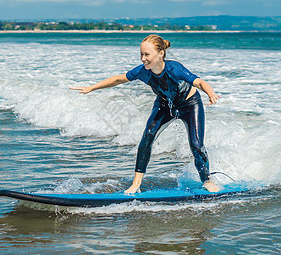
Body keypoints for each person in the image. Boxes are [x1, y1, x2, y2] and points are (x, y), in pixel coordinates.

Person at [70, 34, 220, 193]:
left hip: (190, 104)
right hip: (164, 104)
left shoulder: (174, 69)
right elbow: (118, 79)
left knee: (196, 144)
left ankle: (207, 180)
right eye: (141, 54)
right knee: (147, 136)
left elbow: (199, 82)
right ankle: (136, 184)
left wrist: (210, 93)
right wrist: (92, 87)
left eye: (146, 54)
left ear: (160, 53)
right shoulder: (143, 72)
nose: (143, 58)